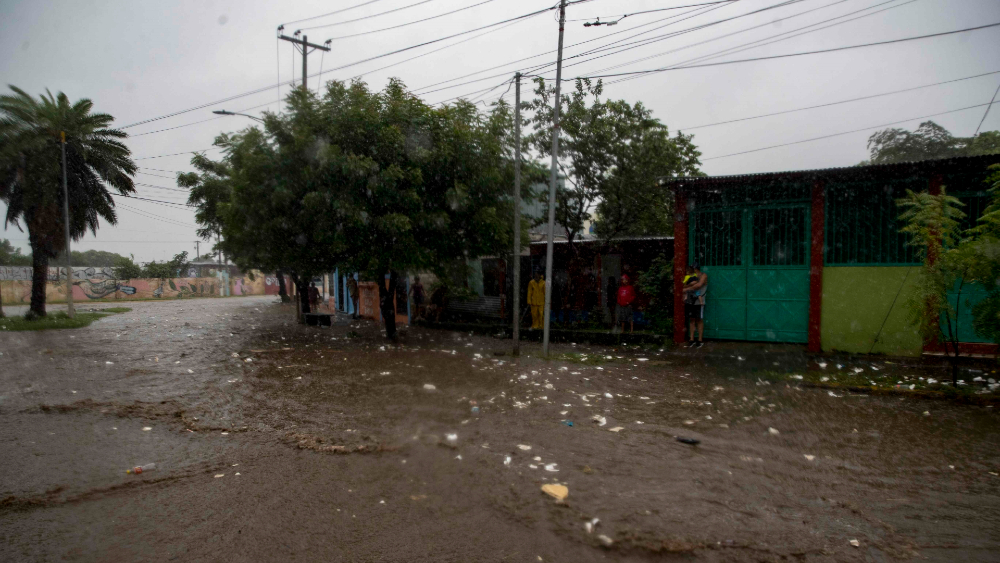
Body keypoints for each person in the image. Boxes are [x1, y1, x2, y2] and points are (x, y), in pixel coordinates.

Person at [682, 263, 708, 347]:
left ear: (696, 269)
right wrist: (688, 285)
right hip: (690, 300)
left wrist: (686, 289)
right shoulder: (690, 276)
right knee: (692, 319)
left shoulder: (703, 276)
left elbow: (698, 285)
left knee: (699, 319)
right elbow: (684, 284)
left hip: (699, 301)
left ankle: (700, 340)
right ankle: (692, 339)